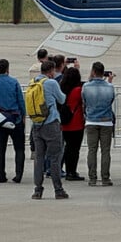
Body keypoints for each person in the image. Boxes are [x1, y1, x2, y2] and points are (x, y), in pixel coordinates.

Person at [29, 60, 69, 200]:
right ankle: (58, 189)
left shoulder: (33, 82)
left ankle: (38, 190)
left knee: (39, 158)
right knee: (55, 158)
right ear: (51, 71)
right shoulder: (51, 83)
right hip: (51, 123)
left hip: (37, 123)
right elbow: (62, 99)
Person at [0, 58, 25, 184]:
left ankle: (1, 175)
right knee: (19, 148)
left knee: (1, 148)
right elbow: (21, 101)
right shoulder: (14, 82)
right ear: (8, 68)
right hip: (15, 118)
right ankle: (18, 175)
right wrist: (23, 115)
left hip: (0, 119)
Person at [80, 62, 116, 187]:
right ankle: (105, 177)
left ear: (93, 71)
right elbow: (111, 100)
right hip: (106, 121)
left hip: (91, 120)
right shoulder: (109, 87)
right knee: (105, 151)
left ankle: (92, 177)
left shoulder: (86, 86)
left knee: (92, 150)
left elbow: (84, 102)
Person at [59, 67, 85, 181]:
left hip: (64, 123)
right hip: (76, 123)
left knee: (67, 147)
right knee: (74, 149)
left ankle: (63, 168)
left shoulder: (62, 88)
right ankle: (72, 171)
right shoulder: (78, 90)